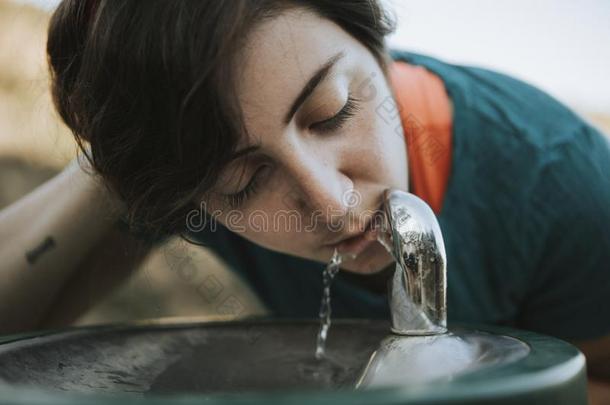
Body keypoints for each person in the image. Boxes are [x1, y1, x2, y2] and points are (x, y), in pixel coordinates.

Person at [0, 0, 609, 396]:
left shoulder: (562, 186)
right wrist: (120, 165)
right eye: (246, 183)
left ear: (376, 48)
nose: (334, 204)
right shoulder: (185, 185)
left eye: (332, 112)